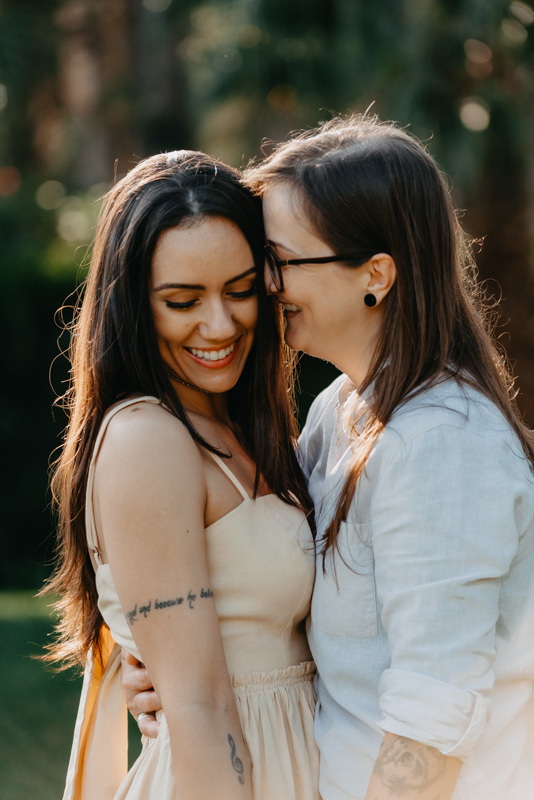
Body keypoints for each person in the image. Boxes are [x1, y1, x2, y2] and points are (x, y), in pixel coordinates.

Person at [125, 114, 534, 800]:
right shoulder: (341, 413)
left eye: (279, 260)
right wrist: (181, 660)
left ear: (375, 275)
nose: (261, 284)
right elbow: (277, 572)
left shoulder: (442, 444)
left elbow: (430, 721)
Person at [41, 150, 320, 800]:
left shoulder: (241, 431)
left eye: (241, 290)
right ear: (133, 304)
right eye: (182, 300)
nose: (219, 325)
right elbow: (198, 707)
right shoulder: (147, 438)